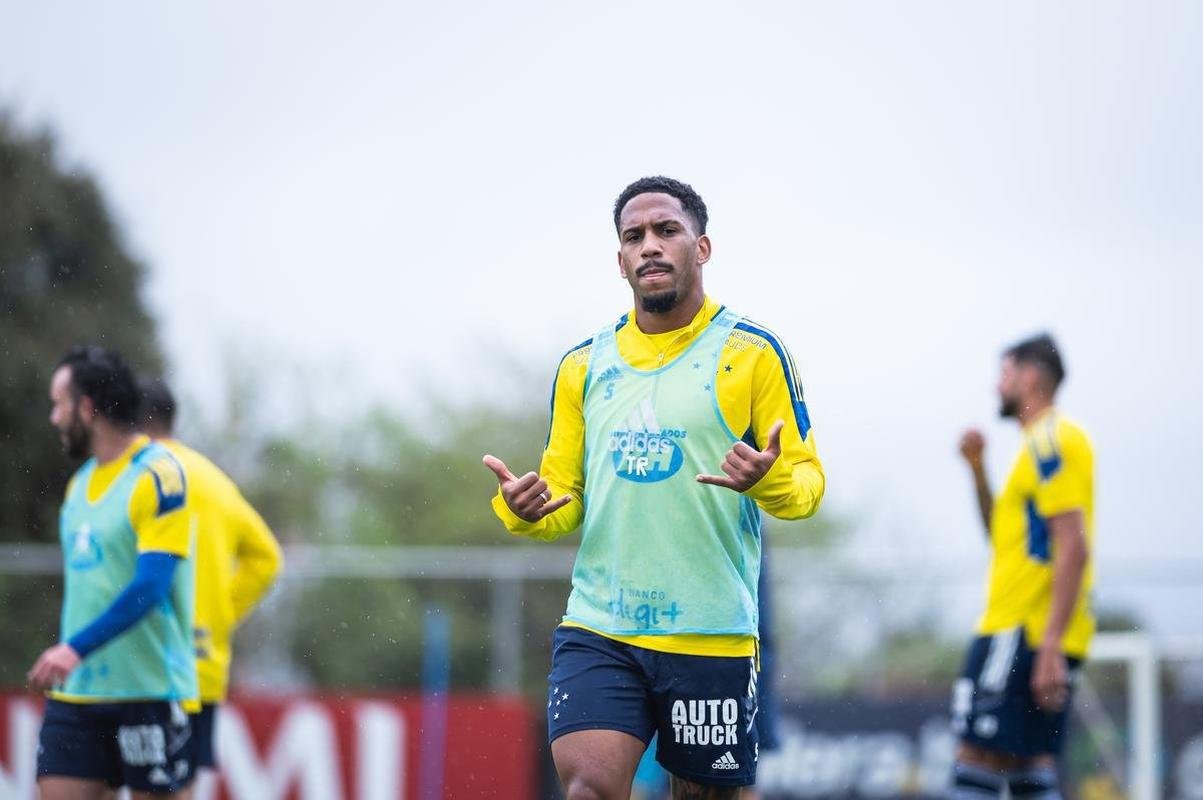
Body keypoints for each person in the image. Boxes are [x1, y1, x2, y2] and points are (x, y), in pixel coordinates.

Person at [483, 176, 825, 799]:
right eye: (633, 236)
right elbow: (564, 494)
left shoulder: (754, 352)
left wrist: (767, 479)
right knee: (587, 788)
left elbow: (807, 486)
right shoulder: (583, 365)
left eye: (667, 230)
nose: (649, 246)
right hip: (600, 627)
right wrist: (527, 511)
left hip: (710, 631)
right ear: (620, 261)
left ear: (702, 247)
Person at [28, 346, 198, 799]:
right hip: (76, 695)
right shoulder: (79, 484)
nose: (54, 418)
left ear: (87, 408)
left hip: (148, 693)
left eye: (59, 405)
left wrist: (75, 648)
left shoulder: (159, 476)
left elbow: (151, 587)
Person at [951, 334, 1095, 799]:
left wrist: (1050, 645)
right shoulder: (1035, 446)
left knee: (975, 759)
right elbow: (1000, 537)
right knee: (1026, 767)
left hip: (1022, 632)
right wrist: (978, 470)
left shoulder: (1053, 440)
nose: (998, 387)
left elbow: (1073, 546)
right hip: (1027, 633)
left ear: (1029, 378)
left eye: (1005, 374)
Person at [138, 377, 284, 782]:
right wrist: (218, 615)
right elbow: (266, 558)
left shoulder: (135, 476)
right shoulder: (214, 481)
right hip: (198, 664)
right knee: (176, 787)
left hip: (135, 665)